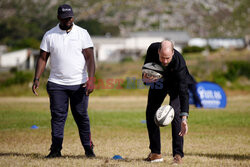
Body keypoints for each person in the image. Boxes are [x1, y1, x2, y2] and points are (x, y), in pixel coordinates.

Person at [32, 4, 96, 158]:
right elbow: (42, 58)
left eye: (70, 17)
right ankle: (55, 150)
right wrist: (36, 78)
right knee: (58, 117)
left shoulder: (82, 33)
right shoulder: (49, 35)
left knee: (81, 117)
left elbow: (90, 58)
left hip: (79, 84)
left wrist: (91, 79)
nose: (68, 20)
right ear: (58, 18)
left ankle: (88, 149)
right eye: (65, 18)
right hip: (56, 84)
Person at [142, 40, 191, 164]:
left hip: (175, 84)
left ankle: (178, 155)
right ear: (158, 51)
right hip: (159, 82)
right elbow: (145, 76)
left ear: (173, 53)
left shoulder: (180, 63)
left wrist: (184, 118)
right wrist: (146, 78)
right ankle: (155, 153)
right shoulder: (152, 49)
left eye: (167, 58)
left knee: (176, 115)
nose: (164, 61)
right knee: (150, 113)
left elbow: (184, 93)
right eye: (162, 57)